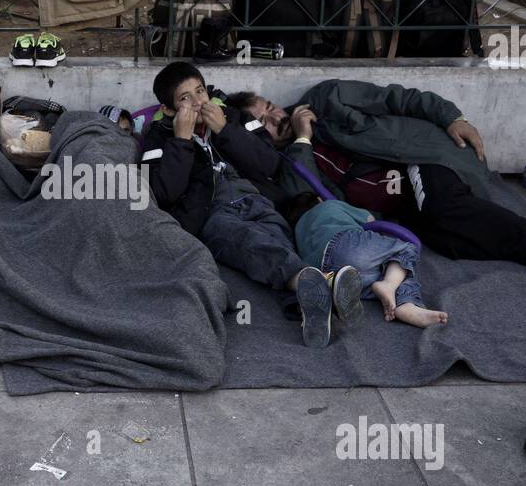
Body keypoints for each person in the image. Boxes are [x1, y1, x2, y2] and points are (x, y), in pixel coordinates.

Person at [228, 84, 526, 289]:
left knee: (442, 210)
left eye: (270, 106)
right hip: (400, 205)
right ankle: (518, 244)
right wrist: (301, 138)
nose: (275, 116)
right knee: (449, 240)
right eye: (262, 121)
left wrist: (453, 116)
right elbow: (306, 193)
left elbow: (400, 97)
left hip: (424, 158)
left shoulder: (328, 98)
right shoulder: (284, 163)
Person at [141, 62, 363, 347]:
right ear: (170, 109)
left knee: (275, 238)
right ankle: (318, 284)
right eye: (186, 98)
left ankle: (311, 300)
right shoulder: (158, 136)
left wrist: (225, 130)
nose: (198, 103)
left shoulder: (235, 117)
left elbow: (269, 163)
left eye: (200, 91)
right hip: (212, 212)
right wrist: (182, 141)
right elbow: (165, 191)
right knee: (246, 240)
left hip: (258, 199)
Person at [287, 195, 448, 329]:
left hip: (327, 274)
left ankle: (404, 306)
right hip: (343, 243)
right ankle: (396, 292)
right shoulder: (329, 205)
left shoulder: (297, 232)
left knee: (385, 272)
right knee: (404, 250)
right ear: (318, 199)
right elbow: (369, 219)